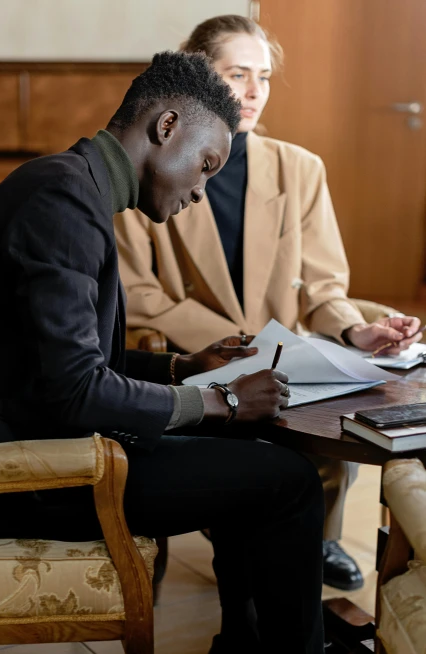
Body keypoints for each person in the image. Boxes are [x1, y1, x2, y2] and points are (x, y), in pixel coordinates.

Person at [0, 51, 381, 654]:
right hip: (23, 476)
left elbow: (67, 360)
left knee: (271, 460)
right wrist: (215, 399)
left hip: (51, 440)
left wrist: (181, 365)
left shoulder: (68, 189)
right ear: (167, 126)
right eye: (206, 165)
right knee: (284, 486)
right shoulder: (61, 205)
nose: (201, 189)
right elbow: (71, 389)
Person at [115, 15, 423, 592]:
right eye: (237, 74)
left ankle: (317, 537)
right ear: (200, 75)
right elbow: (138, 294)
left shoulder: (301, 169)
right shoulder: (153, 161)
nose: (254, 91)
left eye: (264, 76)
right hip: (198, 360)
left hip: (288, 358)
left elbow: (324, 287)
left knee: (341, 421)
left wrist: (355, 332)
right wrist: (246, 341)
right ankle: (255, 542)